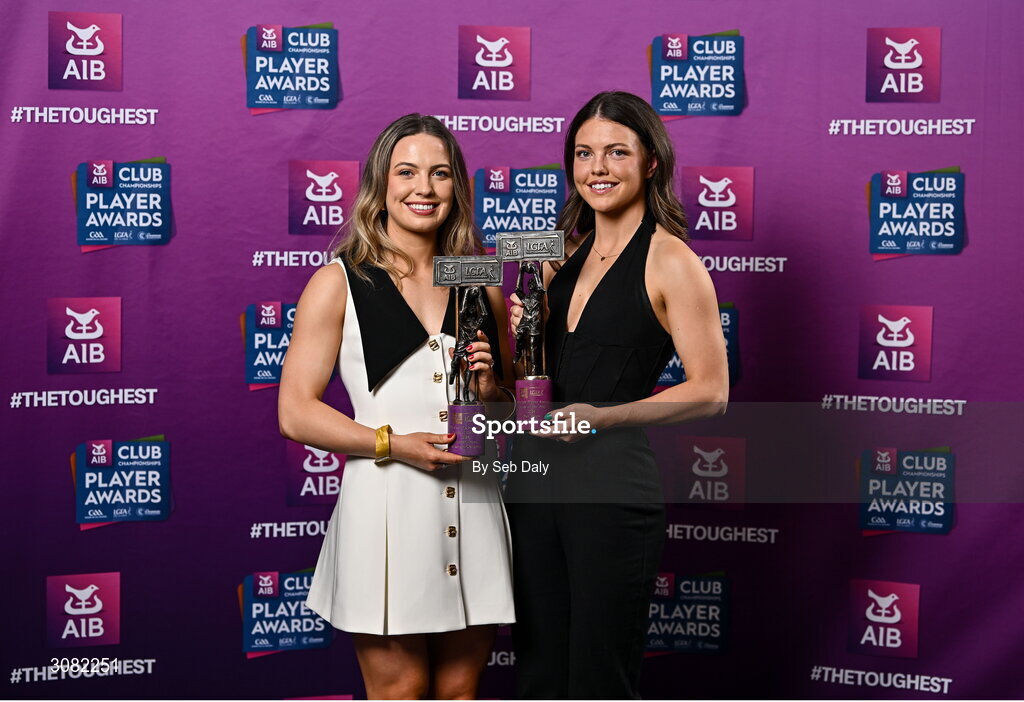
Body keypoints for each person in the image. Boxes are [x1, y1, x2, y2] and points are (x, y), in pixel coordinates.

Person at [278, 114, 515, 700]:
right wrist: (395, 444)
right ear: (380, 185)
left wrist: (490, 394)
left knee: (461, 693)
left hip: (476, 502)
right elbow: (296, 411)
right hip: (387, 507)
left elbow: (509, 412)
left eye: (439, 174)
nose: (424, 188)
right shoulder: (340, 280)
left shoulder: (480, 278)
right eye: (406, 172)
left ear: (457, 187)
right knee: (400, 692)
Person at [506, 91, 729, 699]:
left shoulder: (670, 260)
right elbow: (464, 284)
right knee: (539, 670)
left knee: (598, 673)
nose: (597, 168)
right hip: (532, 485)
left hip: (611, 488)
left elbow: (711, 392)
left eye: (615, 152)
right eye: (583, 154)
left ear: (650, 162)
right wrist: (506, 342)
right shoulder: (553, 254)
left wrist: (601, 418)